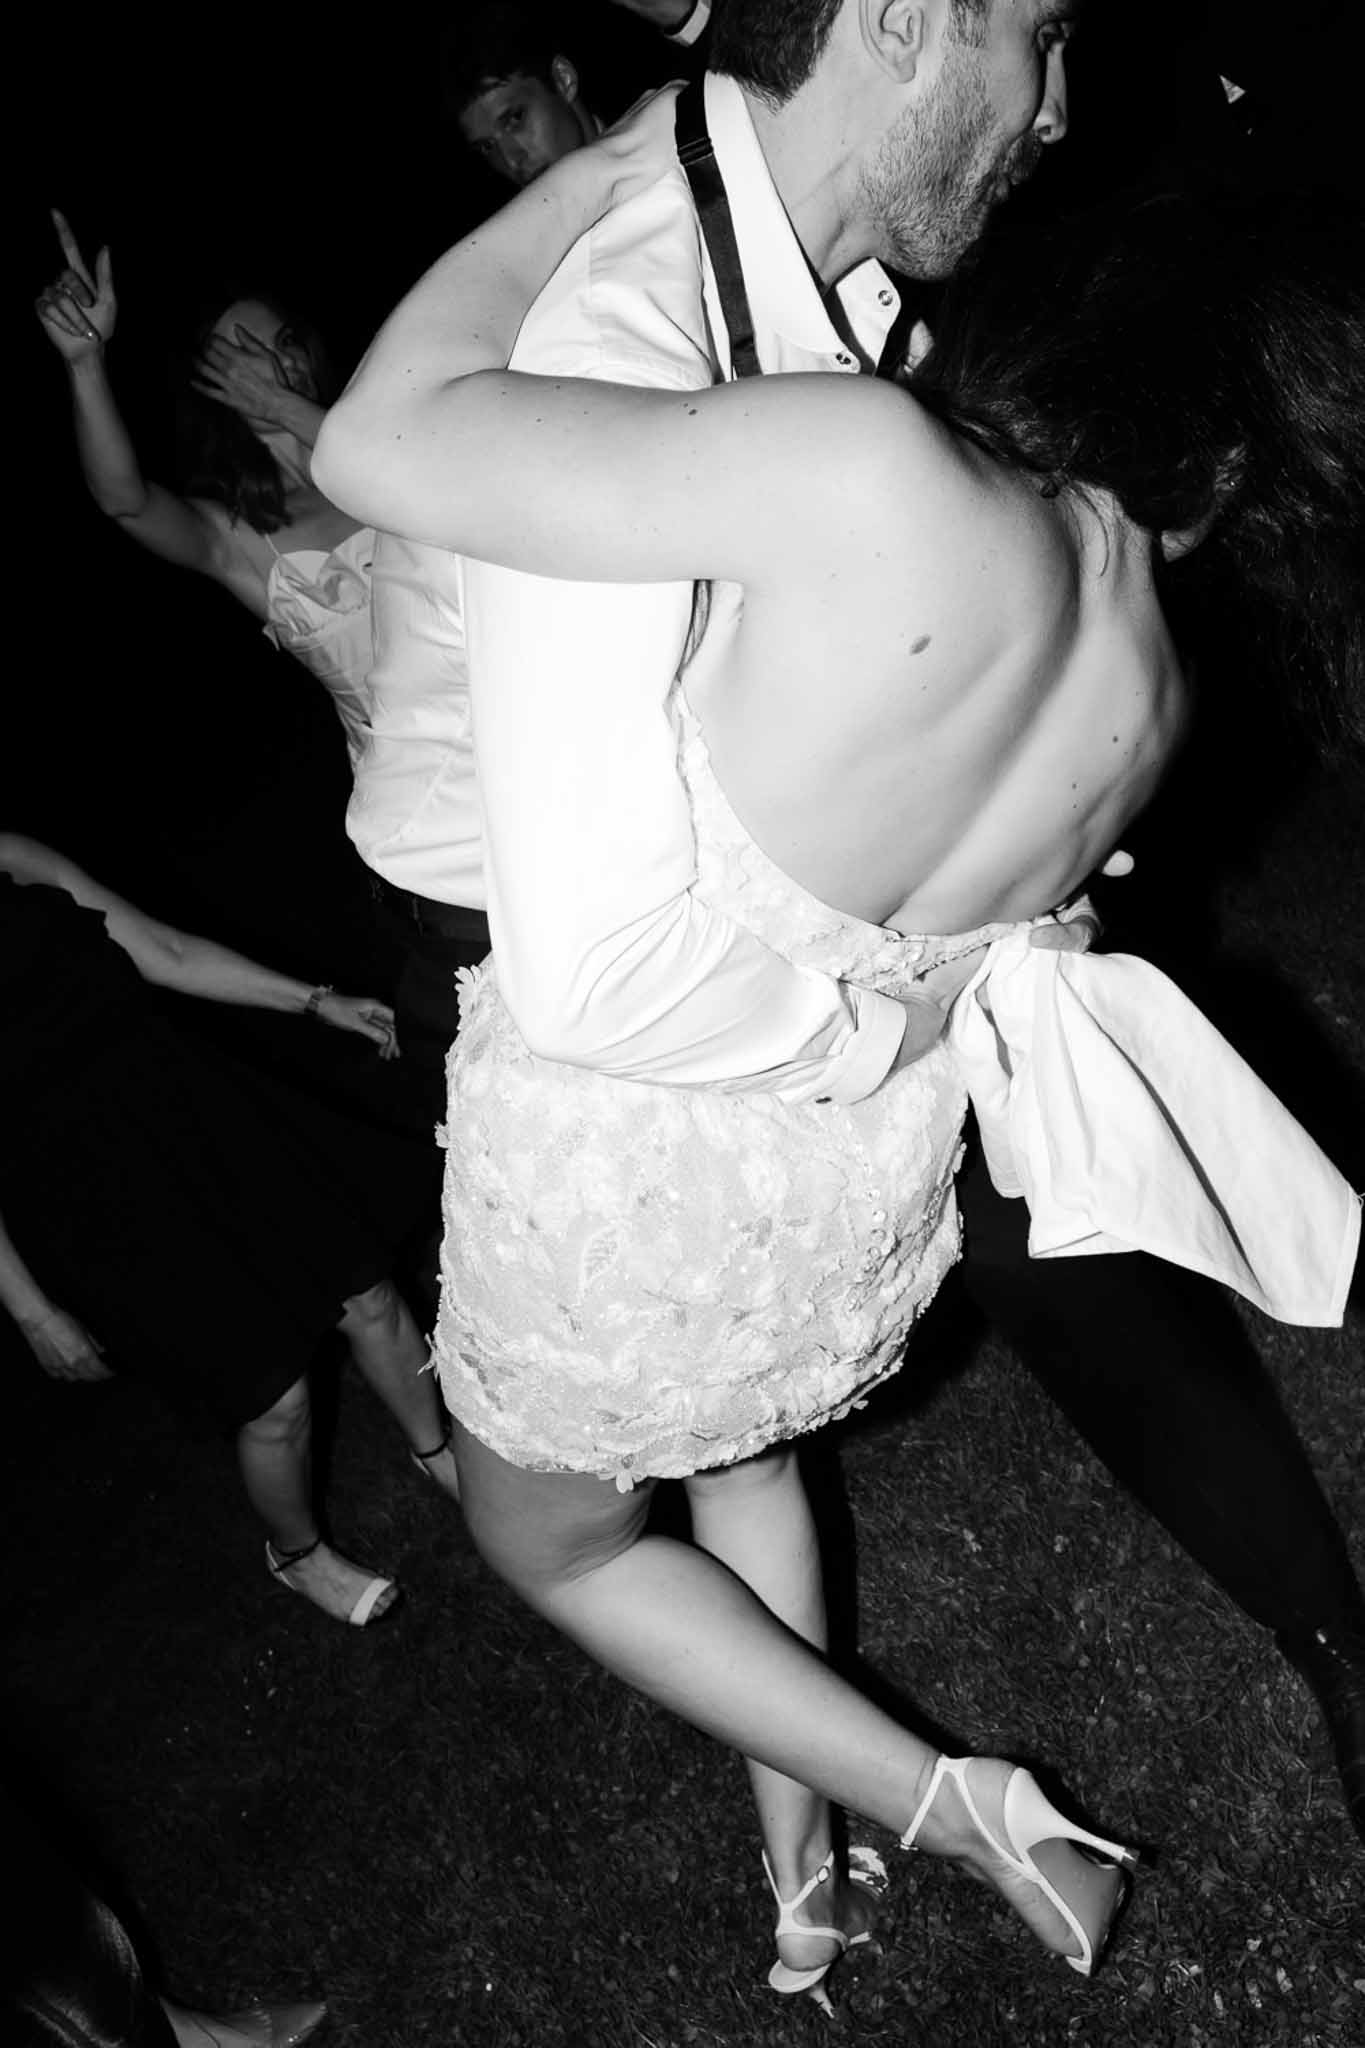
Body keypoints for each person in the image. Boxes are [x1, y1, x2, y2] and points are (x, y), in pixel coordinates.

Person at [314, 76, 1363, 2017]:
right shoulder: (1143, 676)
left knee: (538, 1529)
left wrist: (611, 179)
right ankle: (798, 1858)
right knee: (743, 1459)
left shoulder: (873, 481)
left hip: (643, 1155)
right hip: (854, 1197)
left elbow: (392, 436)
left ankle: (955, 1804)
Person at [0, 835, 462, 1626]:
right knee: (271, 1396)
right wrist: (31, 1307)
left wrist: (318, 1001)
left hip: (200, 1118)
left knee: (370, 1294)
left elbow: (164, 949)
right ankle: (298, 1555)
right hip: (91, 1199)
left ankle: (439, 1454)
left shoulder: (9, 855)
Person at [34, 213, 375, 766]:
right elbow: (126, 502)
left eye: (284, 342)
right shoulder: (241, 536)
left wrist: (289, 410)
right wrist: (86, 363)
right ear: (216, 388)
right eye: (245, 354)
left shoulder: (389, 444)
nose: (275, 364)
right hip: (429, 784)